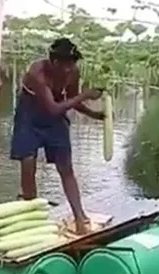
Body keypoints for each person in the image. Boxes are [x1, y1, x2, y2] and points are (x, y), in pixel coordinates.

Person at [10, 37, 105, 234]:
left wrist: (94, 114)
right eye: (66, 65)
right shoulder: (37, 73)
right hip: (29, 117)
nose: (70, 69)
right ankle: (31, 215)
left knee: (66, 166)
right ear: (54, 62)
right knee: (28, 162)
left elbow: (71, 99)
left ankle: (80, 216)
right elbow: (53, 108)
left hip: (54, 118)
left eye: (73, 64)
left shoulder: (73, 72)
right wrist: (85, 95)